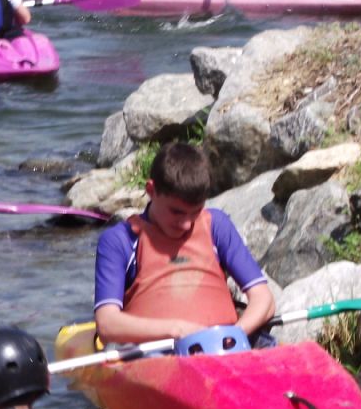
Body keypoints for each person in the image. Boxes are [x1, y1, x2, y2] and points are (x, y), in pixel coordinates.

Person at [93, 142, 274, 345]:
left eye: (195, 211)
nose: (187, 224)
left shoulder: (216, 226)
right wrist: (177, 330)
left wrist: (235, 333)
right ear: (151, 190)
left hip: (226, 346)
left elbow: (263, 299)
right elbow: (107, 323)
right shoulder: (119, 241)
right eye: (176, 212)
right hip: (157, 354)